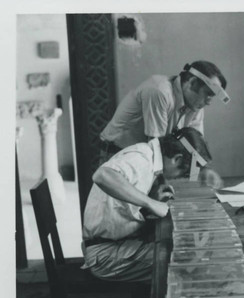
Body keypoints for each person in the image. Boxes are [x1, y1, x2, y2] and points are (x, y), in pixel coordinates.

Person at [82, 127, 212, 283]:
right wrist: (150, 203)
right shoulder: (141, 159)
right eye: (182, 174)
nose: (178, 178)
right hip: (105, 254)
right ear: (176, 159)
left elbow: (121, 208)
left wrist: (150, 198)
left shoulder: (147, 156)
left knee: (185, 249)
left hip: (117, 244)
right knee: (189, 262)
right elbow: (102, 175)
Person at [98, 61, 230, 188]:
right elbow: (156, 146)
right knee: (125, 209)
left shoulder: (196, 106)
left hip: (147, 158)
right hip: (119, 156)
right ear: (192, 83)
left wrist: (202, 173)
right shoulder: (159, 91)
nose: (209, 102)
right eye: (208, 94)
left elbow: (193, 147)